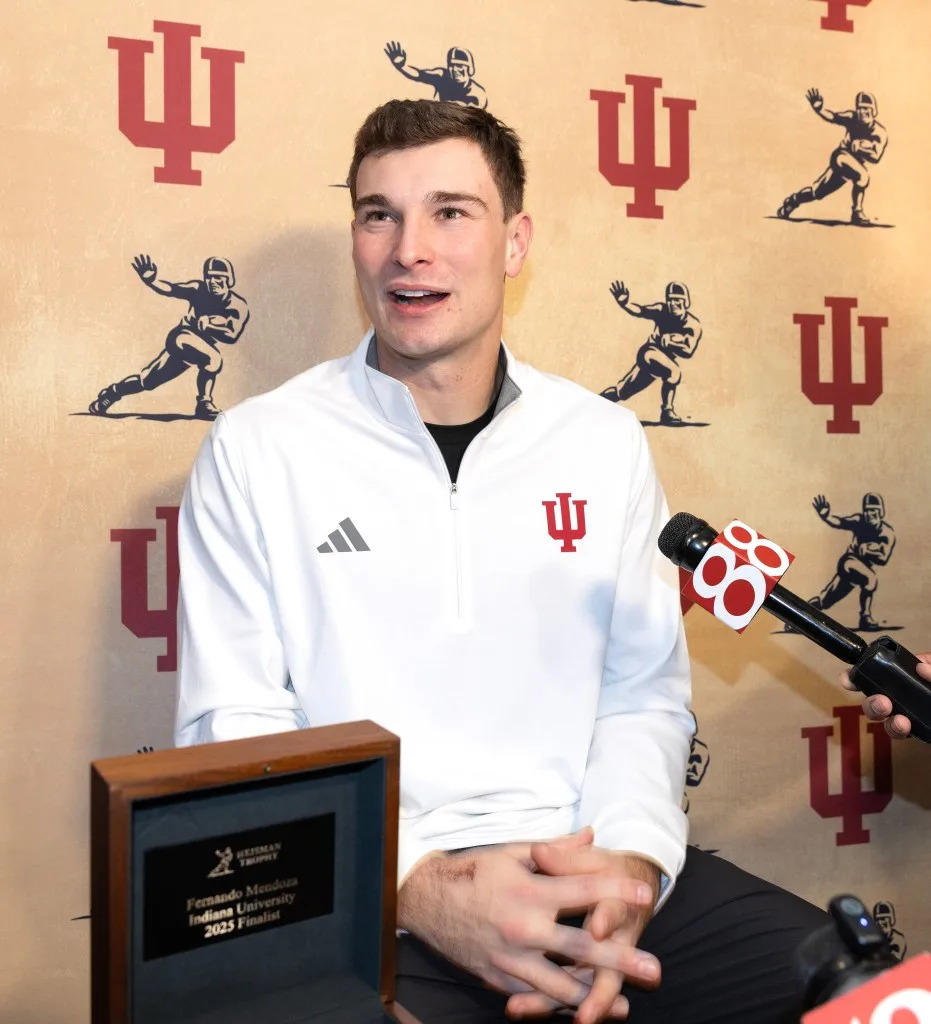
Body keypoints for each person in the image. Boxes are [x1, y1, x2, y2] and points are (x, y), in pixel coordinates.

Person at [175, 99, 829, 1023]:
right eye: (378, 214)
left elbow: (641, 694)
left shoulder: (601, 440)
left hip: (590, 867)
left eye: (450, 211)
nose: (409, 248)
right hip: (374, 897)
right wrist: (414, 888)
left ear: (514, 243)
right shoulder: (257, 448)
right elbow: (233, 726)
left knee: (865, 989)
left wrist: (628, 872)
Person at [88, 254, 249, 421]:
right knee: (213, 359)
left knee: (147, 381)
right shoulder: (198, 289)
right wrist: (152, 281)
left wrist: (210, 325)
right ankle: (204, 404)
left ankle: (112, 393)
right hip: (182, 338)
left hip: (199, 349)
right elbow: (172, 289)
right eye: (210, 277)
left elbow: (232, 335)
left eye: (219, 278)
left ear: (229, 280)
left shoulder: (238, 306)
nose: (213, 282)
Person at [777, 89, 887, 226]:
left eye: (866, 108)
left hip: (852, 167)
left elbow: (876, 157)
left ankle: (793, 201)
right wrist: (819, 110)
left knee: (817, 192)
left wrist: (862, 148)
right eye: (859, 108)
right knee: (862, 176)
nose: (862, 112)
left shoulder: (879, 133)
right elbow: (834, 117)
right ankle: (857, 212)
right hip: (841, 157)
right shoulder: (851, 118)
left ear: (873, 111)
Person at [600, 280, 702, 425]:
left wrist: (672, 343)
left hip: (662, 361)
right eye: (670, 300)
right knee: (674, 371)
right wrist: (625, 304)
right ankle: (667, 411)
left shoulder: (692, 325)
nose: (673, 304)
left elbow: (689, 351)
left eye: (678, 300)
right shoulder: (662, 310)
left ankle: (594, 402)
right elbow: (641, 311)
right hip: (649, 353)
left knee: (621, 392)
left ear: (686, 302)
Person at [809, 492, 895, 631]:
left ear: (881, 512)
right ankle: (865, 618)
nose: (870, 513)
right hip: (849, 563)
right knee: (870, 579)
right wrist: (826, 516)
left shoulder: (887, 533)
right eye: (867, 510)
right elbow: (840, 522)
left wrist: (867, 551)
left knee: (824, 601)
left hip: (862, 569)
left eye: (874, 510)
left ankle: (801, 615)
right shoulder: (859, 520)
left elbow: (883, 558)